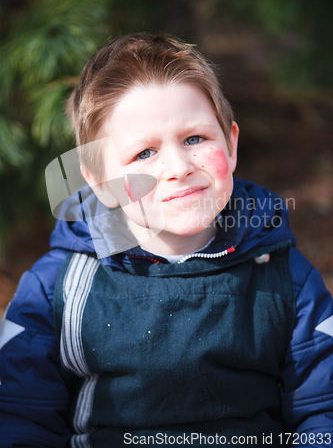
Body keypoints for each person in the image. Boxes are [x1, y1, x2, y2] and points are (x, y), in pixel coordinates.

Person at [0, 34, 332, 448]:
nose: (178, 167)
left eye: (195, 139)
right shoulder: (57, 290)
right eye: (143, 154)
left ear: (230, 145)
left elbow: (322, 411)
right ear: (101, 183)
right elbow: (20, 419)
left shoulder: (285, 276)